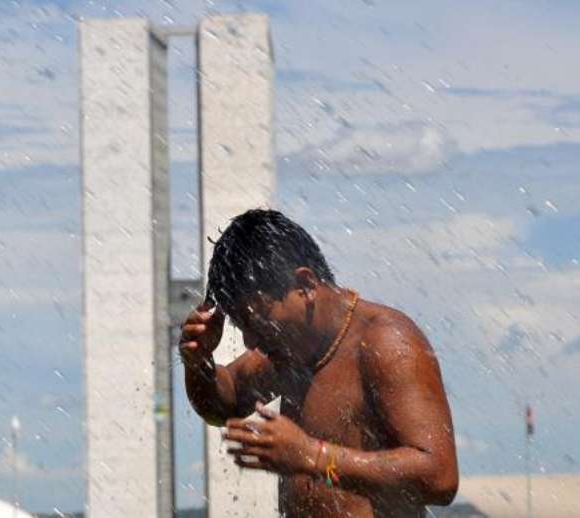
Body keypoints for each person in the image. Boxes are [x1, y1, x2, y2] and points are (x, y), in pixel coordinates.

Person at [179, 209, 458, 517]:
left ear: (306, 285)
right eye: (242, 326)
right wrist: (198, 361)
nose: (250, 342)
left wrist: (313, 456)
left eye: (258, 322)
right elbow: (222, 404)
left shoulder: (386, 343)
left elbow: (440, 476)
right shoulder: (289, 355)